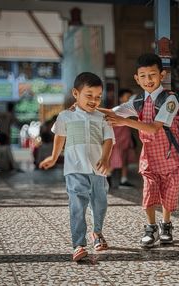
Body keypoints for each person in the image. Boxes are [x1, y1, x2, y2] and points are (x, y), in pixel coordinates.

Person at [98, 53, 179, 248]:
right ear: (136, 78)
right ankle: (151, 227)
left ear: (162, 75)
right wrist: (87, 108)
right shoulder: (138, 101)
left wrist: (125, 121)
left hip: (171, 156)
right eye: (142, 76)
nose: (148, 80)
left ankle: (166, 224)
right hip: (149, 157)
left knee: (168, 195)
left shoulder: (170, 100)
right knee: (149, 192)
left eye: (152, 74)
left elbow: (154, 127)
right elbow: (114, 111)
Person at [39, 72, 115, 262]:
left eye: (98, 97)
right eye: (88, 95)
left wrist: (105, 158)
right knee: (77, 206)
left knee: (100, 204)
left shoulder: (102, 117)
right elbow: (59, 137)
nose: (94, 100)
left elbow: (108, 140)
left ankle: (97, 233)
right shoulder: (65, 116)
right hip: (74, 169)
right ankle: (79, 244)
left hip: (98, 170)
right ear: (76, 93)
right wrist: (54, 157)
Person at [108, 88, 137, 188]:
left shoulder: (129, 110)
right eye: (127, 97)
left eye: (130, 97)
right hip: (118, 141)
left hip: (126, 140)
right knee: (117, 161)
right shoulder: (118, 110)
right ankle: (106, 177)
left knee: (124, 160)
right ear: (120, 98)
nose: (130, 99)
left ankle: (123, 180)